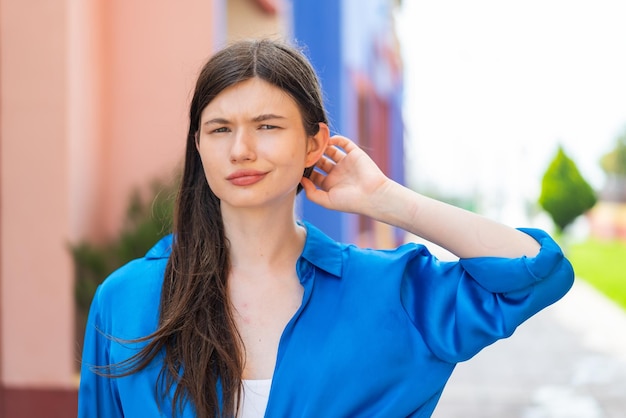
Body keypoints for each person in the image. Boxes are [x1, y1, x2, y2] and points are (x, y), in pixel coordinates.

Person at [78, 38, 574, 418]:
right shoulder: (126, 299)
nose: (240, 149)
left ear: (315, 143)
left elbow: (536, 271)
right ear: (199, 145)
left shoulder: (388, 294)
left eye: (267, 126)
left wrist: (386, 200)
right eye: (220, 128)